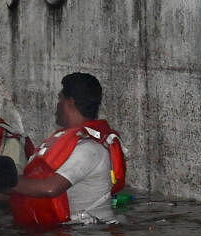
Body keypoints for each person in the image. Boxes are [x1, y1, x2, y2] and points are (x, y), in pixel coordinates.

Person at [9, 72, 127, 226]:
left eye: (60, 98)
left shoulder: (89, 149)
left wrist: (1, 180)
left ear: (69, 102)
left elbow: (50, 188)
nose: (57, 104)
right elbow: (31, 187)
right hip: (73, 232)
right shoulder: (69, 143)